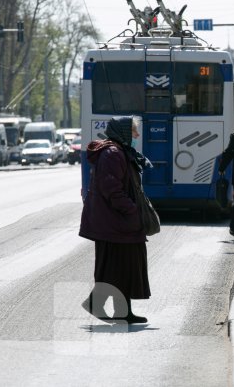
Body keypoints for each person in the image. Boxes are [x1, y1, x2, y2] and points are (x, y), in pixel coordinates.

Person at [79, 116, 152, 324]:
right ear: (124, 132)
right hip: (115, 222)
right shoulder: (112, 154)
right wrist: (132, 210)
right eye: (134, 132)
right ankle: (97, 303)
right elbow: (112, 189)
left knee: (123, 266)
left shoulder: (119, 151)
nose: (137, 136)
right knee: (117, 266)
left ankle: (123, 311)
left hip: (117, 222)